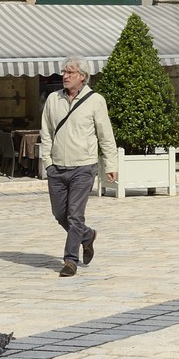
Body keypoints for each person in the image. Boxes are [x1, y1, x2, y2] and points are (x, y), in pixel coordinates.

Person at [38, 59, 117, 277]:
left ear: (82, 76)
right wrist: (48, 163)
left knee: (75, 215)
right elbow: (46, 132)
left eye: (70, 72)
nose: (65, 76)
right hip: (57, 168)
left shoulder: (95, 101)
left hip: (83, 167)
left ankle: (70, 260)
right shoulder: (53, 99)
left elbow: (105, 135)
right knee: (59, 214)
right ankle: (87, 235)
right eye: (64, 71)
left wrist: (111, 164)